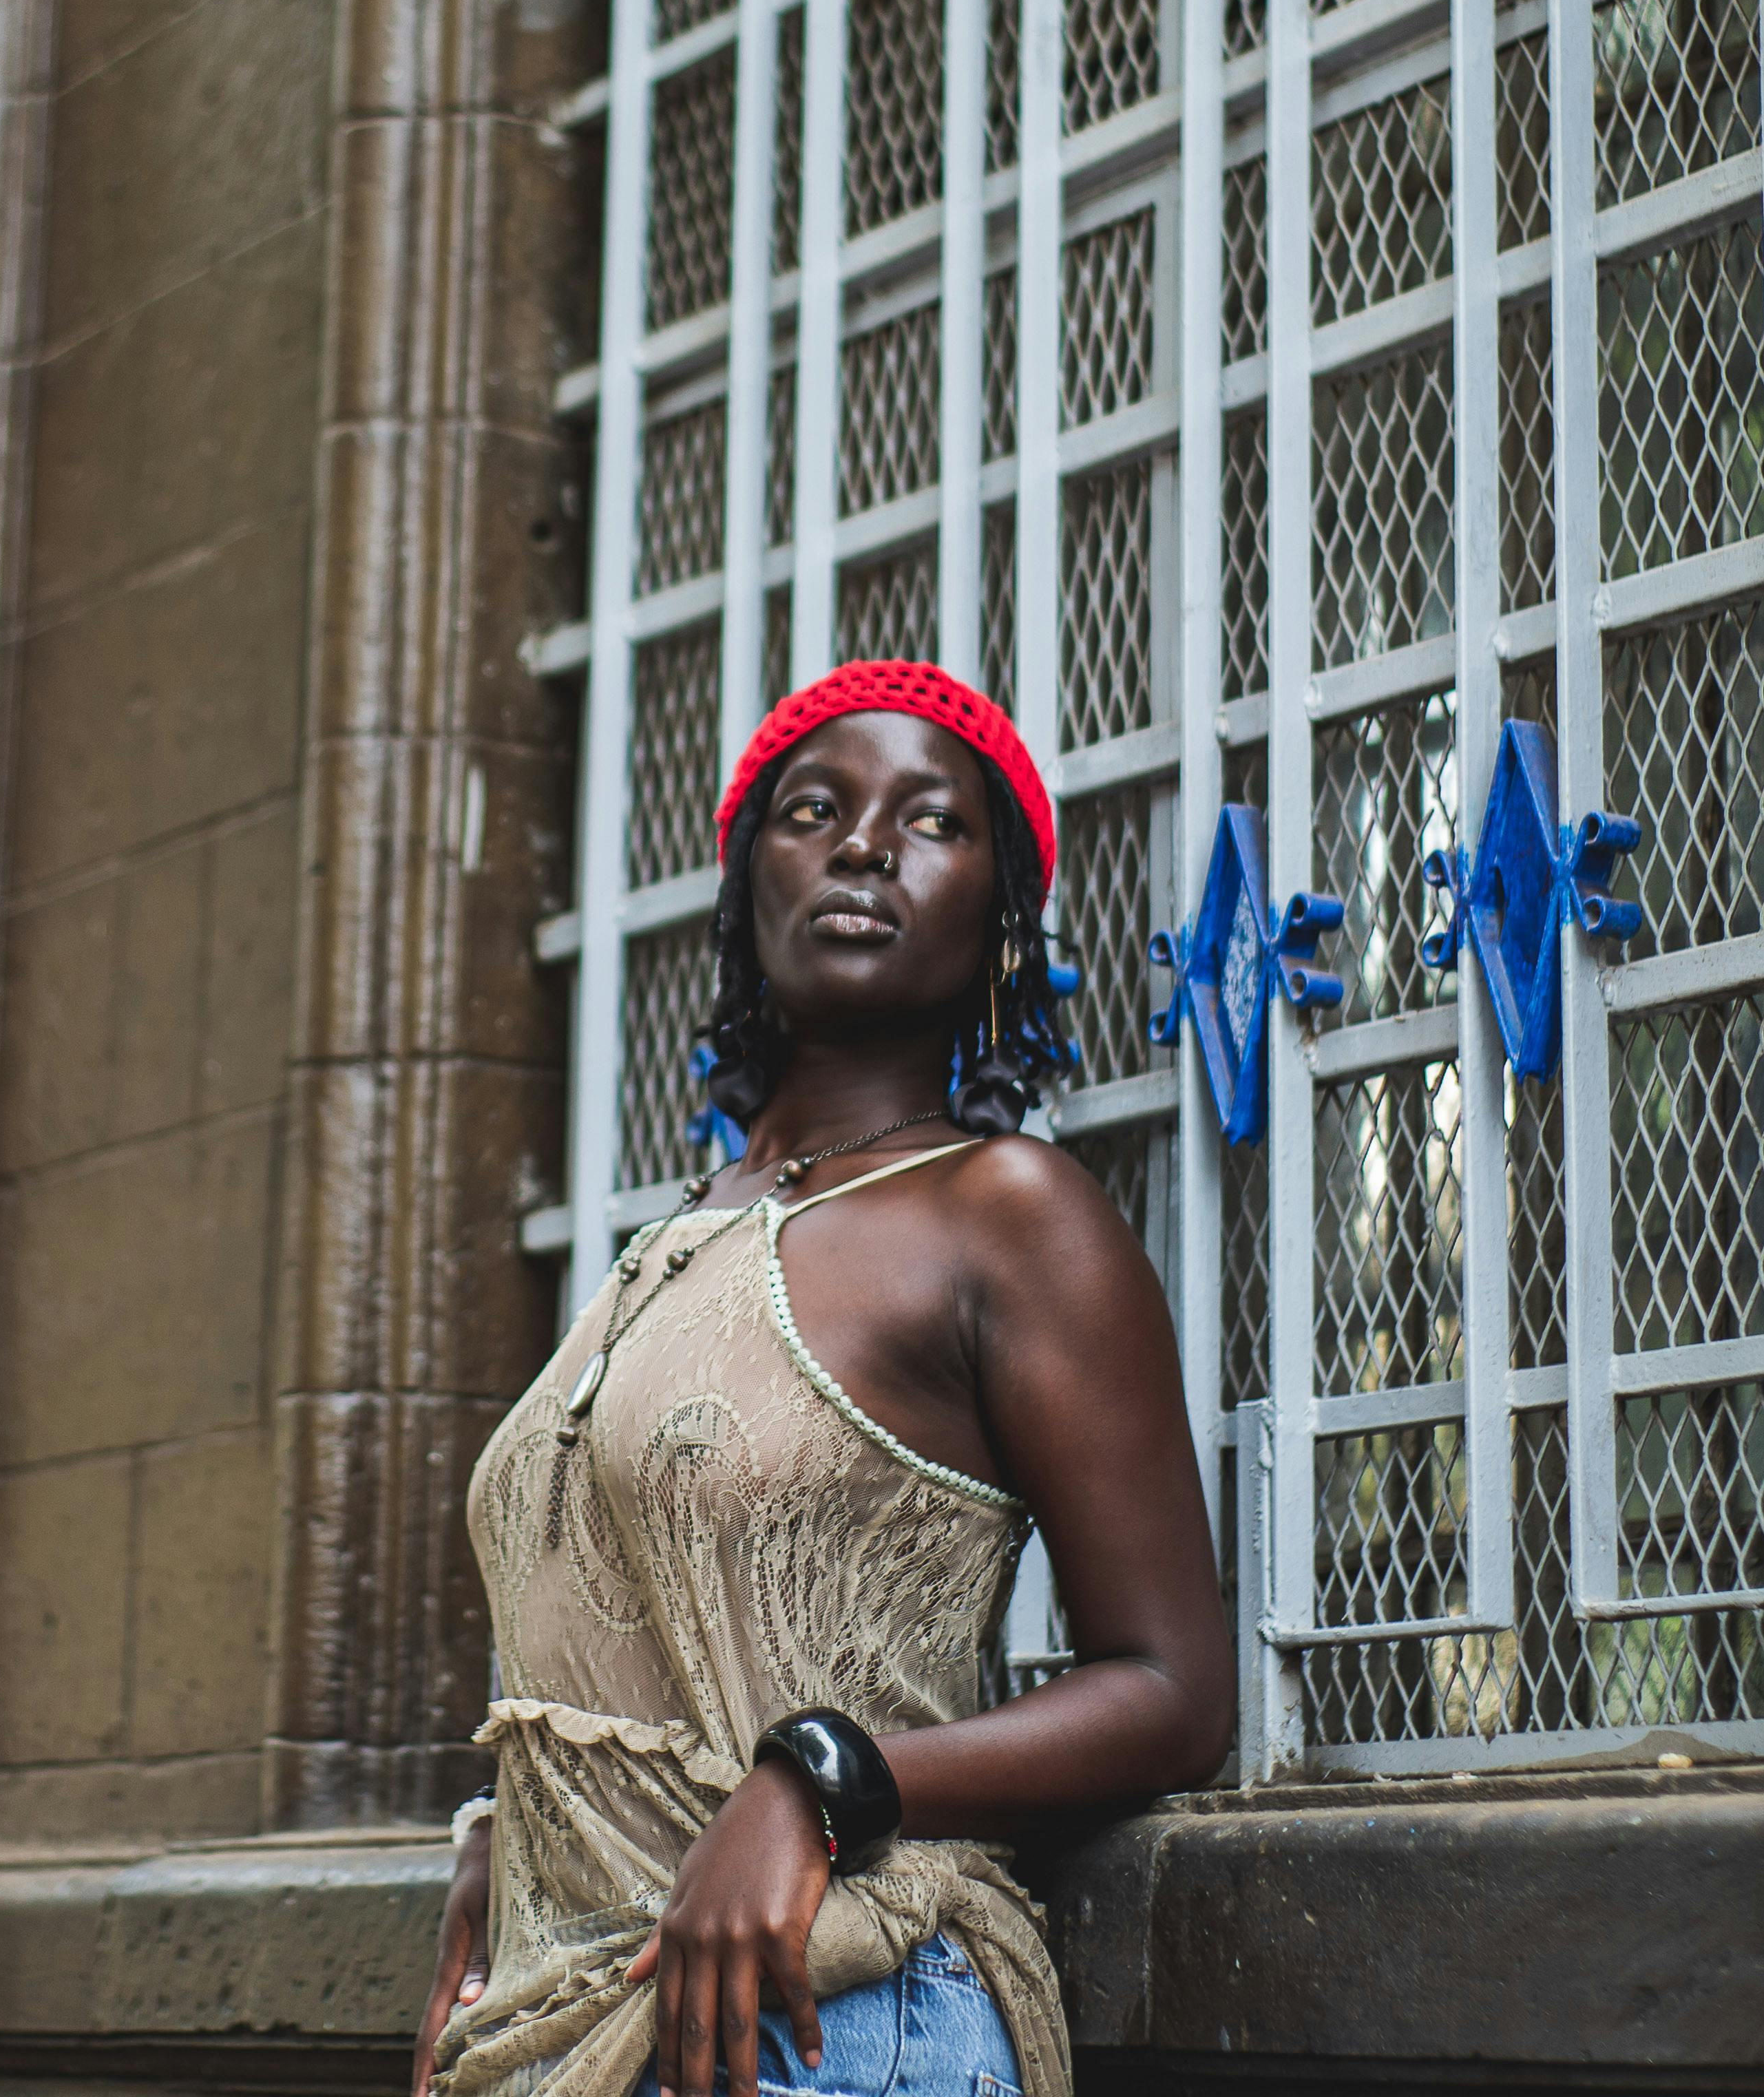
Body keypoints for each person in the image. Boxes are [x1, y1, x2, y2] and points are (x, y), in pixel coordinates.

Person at [417, 660, 1235, 2097]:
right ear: (748, 897)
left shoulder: (1008, 1214)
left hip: (835, 2017)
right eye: (816, 810)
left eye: (931, 822)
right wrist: (511, 1833)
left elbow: (1170, 1689)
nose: (864, 844)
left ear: (999, 918)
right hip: (563, 2025)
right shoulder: (674, 1237)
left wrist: (822, 1783)